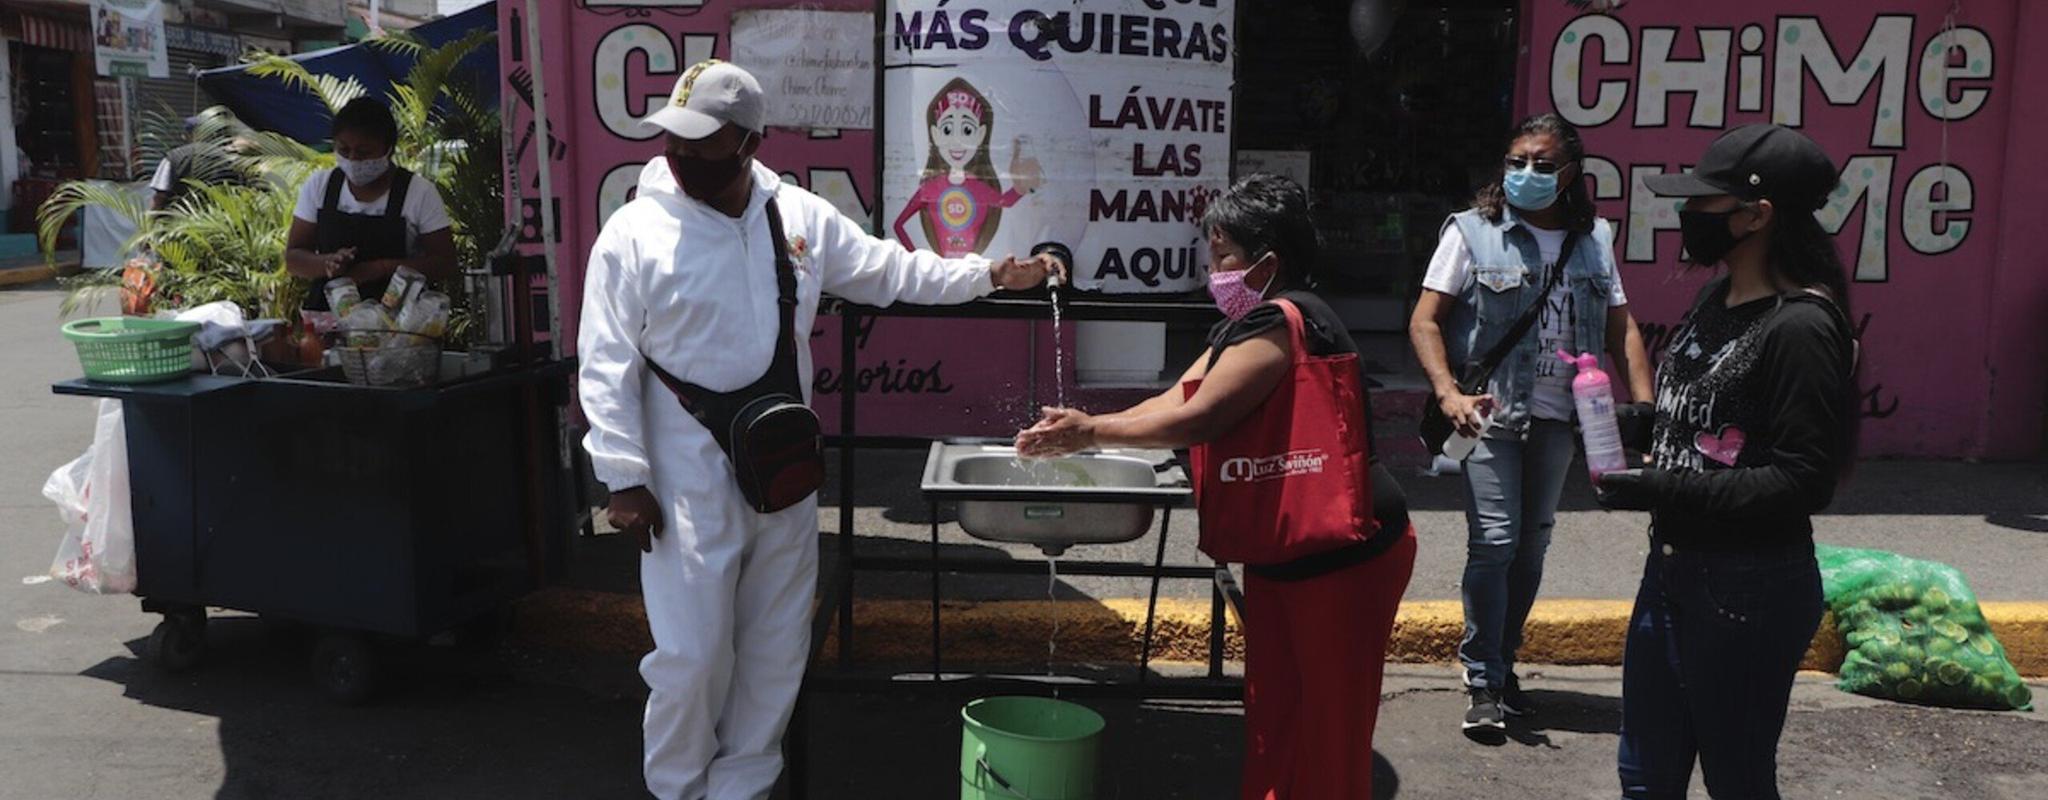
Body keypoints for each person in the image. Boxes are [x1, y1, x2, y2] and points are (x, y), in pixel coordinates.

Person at [578, 60, 1061, 800]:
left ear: (749, 142)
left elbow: (892, 271)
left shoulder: (798, 216)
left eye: (702, 142)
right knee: (693, 653)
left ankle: (743, 785)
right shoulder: (634, 233)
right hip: (683, 479)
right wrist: (624, 477)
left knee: (776, 643)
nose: (681, 155)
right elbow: (604, 359)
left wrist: (990, 275)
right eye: (675, 138)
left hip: (782, 469)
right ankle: (677, 787)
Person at [1017, 174, 1414, 800]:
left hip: (1344, 556)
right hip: (1284, 551)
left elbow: (1203, 417)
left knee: (1328, 733)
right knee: (1274, 721)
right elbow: (1173, 397)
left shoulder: (1287, 323)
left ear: (1267, 262)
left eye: (1223, 255)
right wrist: (1086, 427)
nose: (1214, 270)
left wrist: (1093, 432)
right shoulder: (1243, 326)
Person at [1598, 123, 1858, 799]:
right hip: (1675, 569)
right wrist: (1640, 425)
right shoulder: (1716, 298)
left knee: (1737, 782)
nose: (1688, 216)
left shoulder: (1801, 326)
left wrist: (1663, 487)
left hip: (1750, 588)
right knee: (1645, 779)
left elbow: (1804, 479)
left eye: (1704, 203)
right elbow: (1716, 418)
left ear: (1757, 215)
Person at [1407, 113, 1653, 735]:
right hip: (1490, 413)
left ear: (1569, 175)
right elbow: (1425, 320)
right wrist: (1446, 394)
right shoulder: (1472, 232)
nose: (1526, 174)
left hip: (1562, 418)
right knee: (1494, 540)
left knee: (1532, 542)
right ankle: (1482, 675)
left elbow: (1623, 328)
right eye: (1517, 161)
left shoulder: (1594, 238)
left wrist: (1646, 412)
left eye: (1543, 165)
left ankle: (1503, 658)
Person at [284, 97, 456, 311]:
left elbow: (445, 264)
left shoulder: (419, 193)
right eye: (344, 150)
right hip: (329, 317)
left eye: (364, 152)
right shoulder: (320, 186)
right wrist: (328, 263)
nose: (353, 159)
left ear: (388, 150)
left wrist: (383, 268)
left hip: (397, 323)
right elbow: (293, 258)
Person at [890, 77, 1044, 257]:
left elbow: (1005, 202)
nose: (957, 141)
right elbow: (898, 225)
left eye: (967, 130)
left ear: (981, 134)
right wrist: (917, 260)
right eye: (947, 130)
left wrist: (1022, 186)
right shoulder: (931, 188)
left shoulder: (977, 188)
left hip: (970, 273)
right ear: (935, 134)